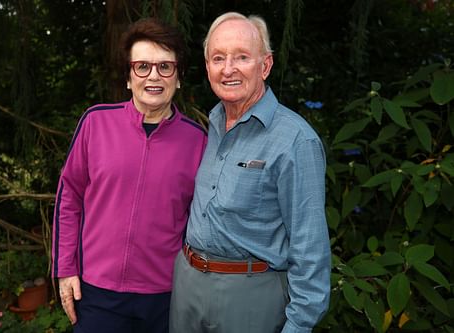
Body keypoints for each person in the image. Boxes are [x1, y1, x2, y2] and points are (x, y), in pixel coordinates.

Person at [169, 12, 330, 333]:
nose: (228, 68)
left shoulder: (295, 140)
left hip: (251, 295)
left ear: (265, 65)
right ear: (207, 68)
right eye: (218, 58)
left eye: (242, 57)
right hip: (187, 287)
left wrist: (298, 326)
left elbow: (310, 249)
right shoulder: (211, 126)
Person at [52, 18, 207, 333]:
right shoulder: (95, 123)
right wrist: (66, 268)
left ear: (178, 79)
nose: (154, 76)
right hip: (97, 293)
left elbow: (201, 221)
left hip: (165, 298)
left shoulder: (198, 141)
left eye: (165, 67)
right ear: (128, 77)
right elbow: (69, 197)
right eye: (142, 66)